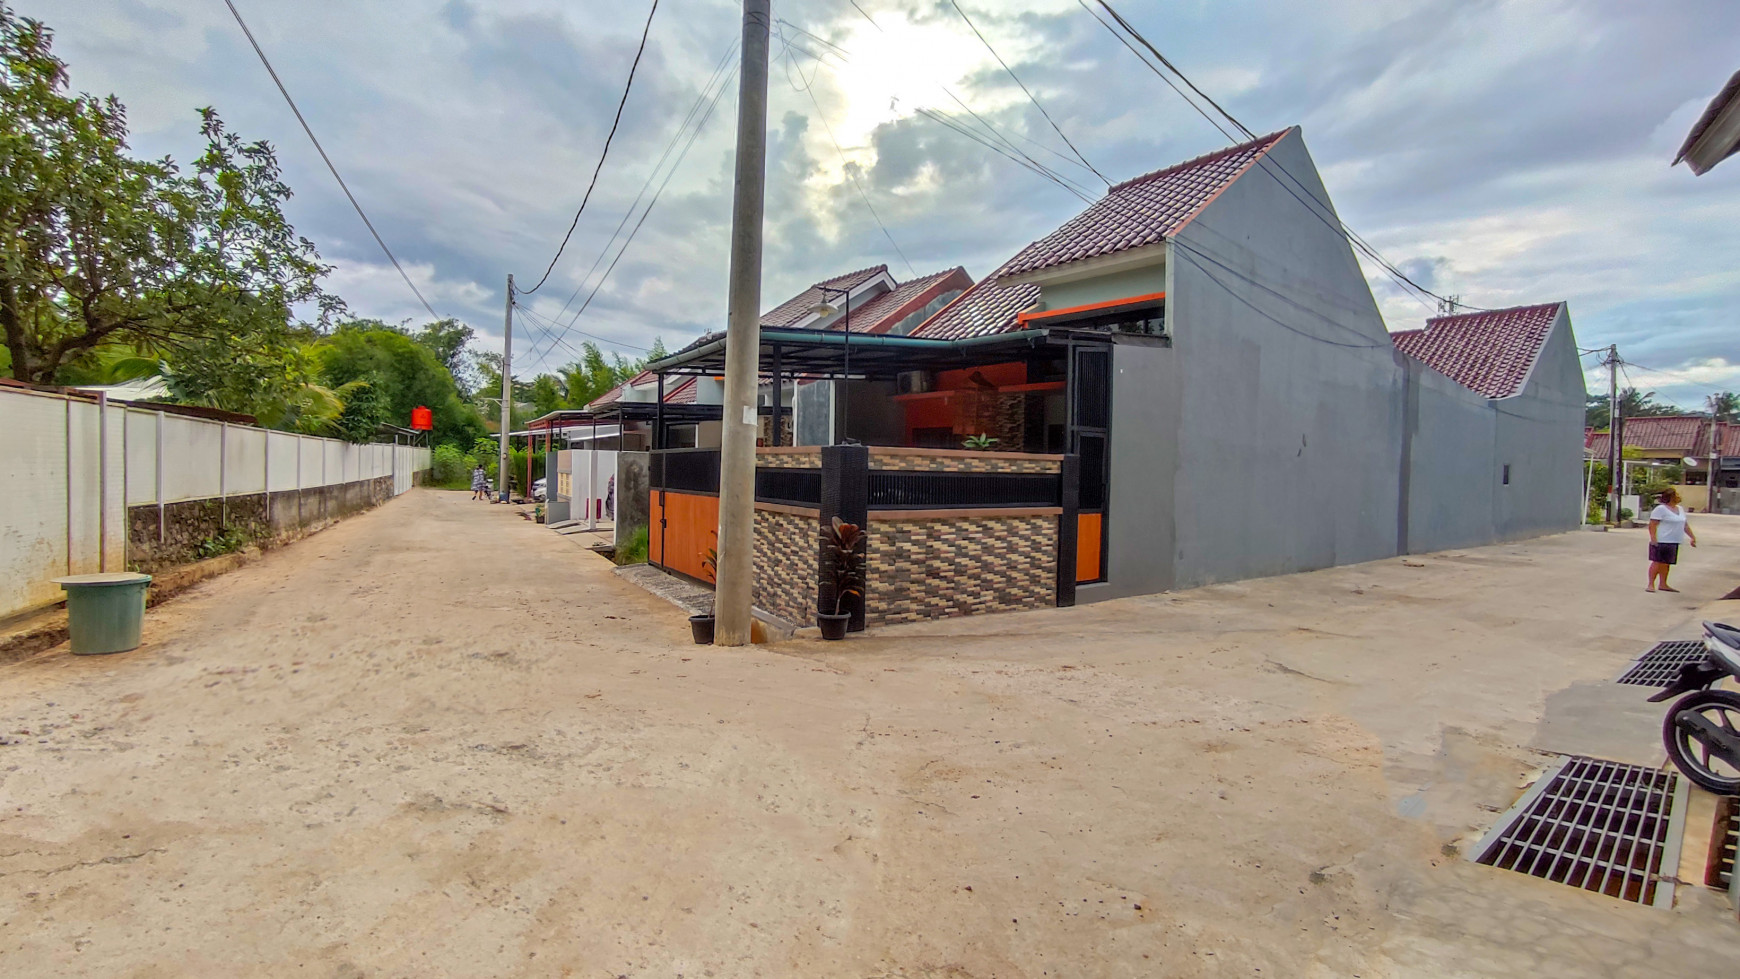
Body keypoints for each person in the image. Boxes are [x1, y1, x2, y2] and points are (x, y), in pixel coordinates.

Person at [1647, 487, 1697, 592]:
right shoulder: (1661, 509)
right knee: (1657, 562)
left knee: (1666, 563)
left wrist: (1692, 537)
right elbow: (1652, 524)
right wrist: (1653, 538)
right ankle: (1651, 584)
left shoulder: (1680, 509)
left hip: (1674, 540)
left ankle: (1663, 584)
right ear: (1671, 497)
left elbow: (1685, 525)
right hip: (1662, 540)